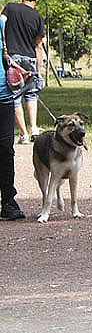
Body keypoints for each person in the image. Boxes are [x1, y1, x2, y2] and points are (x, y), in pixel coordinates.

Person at [2, 0, 48, 144]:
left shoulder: (10, 7)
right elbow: (38, 46)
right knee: (31, 93)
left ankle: (23, 134)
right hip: (30, 58)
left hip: (13, 58)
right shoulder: (38, 18)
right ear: (36, 0)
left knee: (15, 95)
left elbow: (1, 21)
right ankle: (34, 128)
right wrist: (38, 71)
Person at [0, 16, 23, 220]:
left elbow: (3, 53)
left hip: (3, 95)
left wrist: (15, 67)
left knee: (6, 150)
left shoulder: (1, 23)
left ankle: (8, 201)